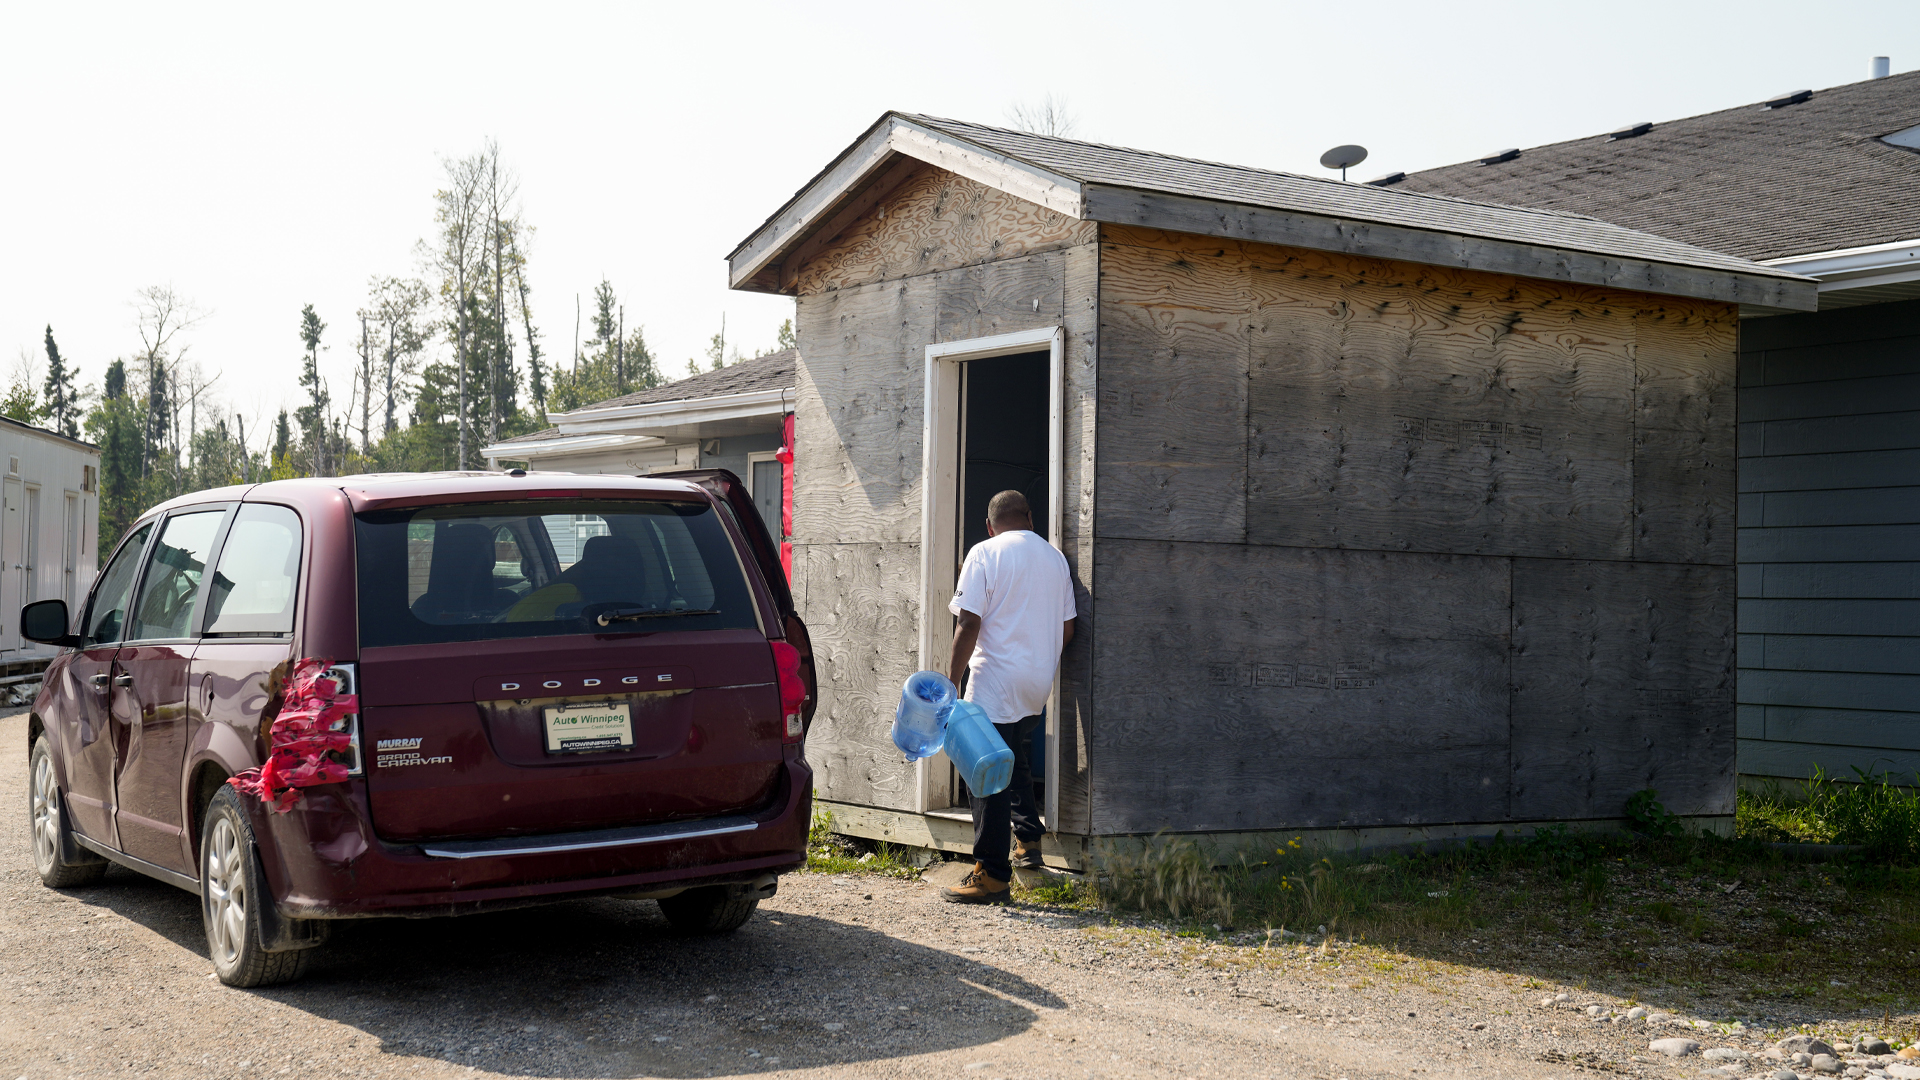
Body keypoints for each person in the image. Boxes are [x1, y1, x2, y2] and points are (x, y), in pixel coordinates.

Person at [940, 489, 1078, 904]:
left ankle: (992, 875)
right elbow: (1069, 630)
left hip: (994, 682)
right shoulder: (1055, 560)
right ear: (1030, 518)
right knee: (1014, 758)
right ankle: (1028, 843)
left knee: (984, 774)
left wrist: (950, 683)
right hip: (1037, 683)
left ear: (989, 525)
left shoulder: (983, 553)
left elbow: (967, 622)